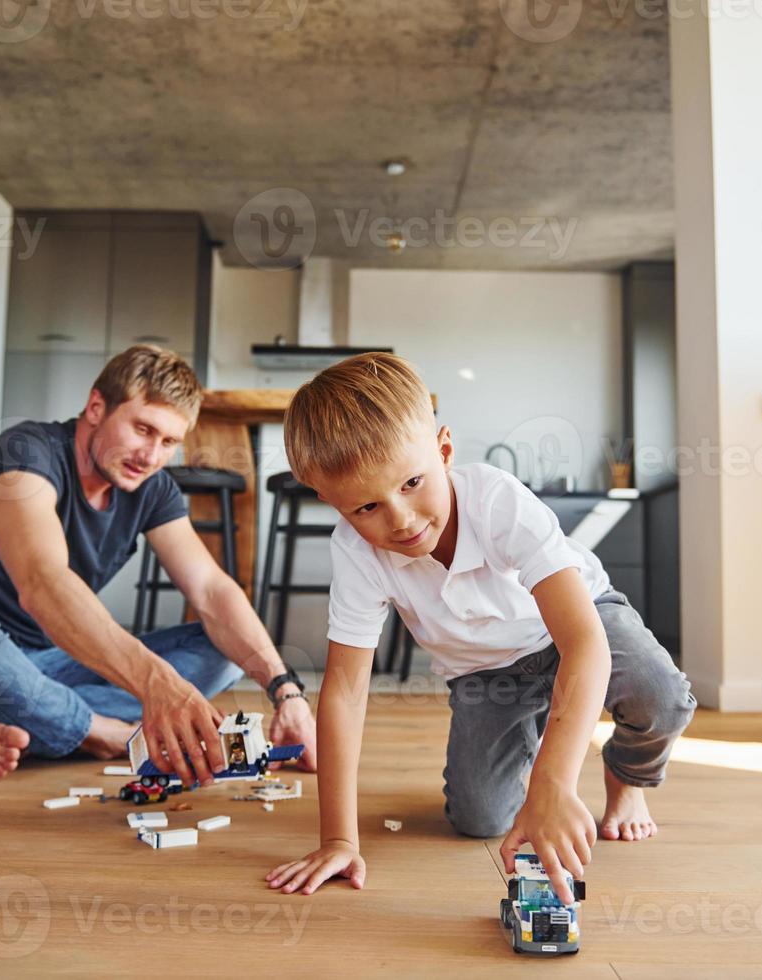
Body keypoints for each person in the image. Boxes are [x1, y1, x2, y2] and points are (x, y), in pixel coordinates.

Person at [265, 353, 694, 902]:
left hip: (578, 623)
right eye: (366, 507)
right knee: (478, 818)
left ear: (444, 451)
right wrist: (338, 838)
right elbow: (346, 693)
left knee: (663, 698)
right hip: (486, 671)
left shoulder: (496, 499)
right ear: (331, 504)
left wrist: (554, 784)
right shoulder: (355, 553)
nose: (399, 519)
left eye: (413, 482)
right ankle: (539, 732)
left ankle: (629, 781)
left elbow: (584, 644)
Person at [0, 344, 316, 783]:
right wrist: (156, 684)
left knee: (224, 651)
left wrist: (286, 691)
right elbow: (42, 583)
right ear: (95, 407)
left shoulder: (151, 487)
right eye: (143, 429)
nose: (151, 456)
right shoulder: (22, 455)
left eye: (169, 442)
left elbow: (210, 590)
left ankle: (14, 732)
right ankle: (104, 733)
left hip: (45, 671)